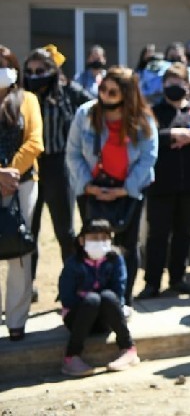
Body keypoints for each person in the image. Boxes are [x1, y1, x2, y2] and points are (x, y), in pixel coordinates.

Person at [67, 66, 158, 309]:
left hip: (129, 189)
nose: (105, 95)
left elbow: (148, 158)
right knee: (94, 245)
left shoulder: (143, 120)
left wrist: (126, 189)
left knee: (127, 246)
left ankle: (123, 300)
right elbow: (73, 154)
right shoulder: (85, 114)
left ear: (126, 95)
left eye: (112, 92)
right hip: (92, 189)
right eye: (103, 89)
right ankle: (94, 298)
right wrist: (88, 186)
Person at [137, 62, 190, 299]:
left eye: (179, 83)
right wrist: (172, 135)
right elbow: (146, 136)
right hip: (160, 184)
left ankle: (177, 279)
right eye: (169, 83)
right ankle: (152, 282)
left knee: (183, 233)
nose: (174, 87)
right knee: (157, 235)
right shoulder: (154, 110)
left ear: (188, 85)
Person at [21, 46, 92, 286]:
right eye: (30, 70)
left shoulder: (69, 92)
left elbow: (95, 108)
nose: (35, 75)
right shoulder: (21, 95)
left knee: (64, 231)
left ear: (53, 70)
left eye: (41, 70)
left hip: (59, 165)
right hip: (29, 166)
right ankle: (26, 287)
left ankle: (71, 285)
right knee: (28, 231)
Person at [58, 219, 140, 376]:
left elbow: (119, 292)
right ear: (82, 240)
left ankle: (128, 349)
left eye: (104, 238)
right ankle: (71, 357)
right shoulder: (73, 264)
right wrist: (88, 298)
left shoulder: (115, 259)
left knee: (108, 296)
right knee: (92, 300)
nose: (100, 242)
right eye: (94, 238)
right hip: (78, 320)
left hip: (106, 319)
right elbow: (67, 298)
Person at [0, 45, 43, 341]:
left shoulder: (28, 100)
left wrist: (10, 173)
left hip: (22, 183)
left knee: (19, 249)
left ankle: (16, 318)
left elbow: (35, 142)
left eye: (5, 65)